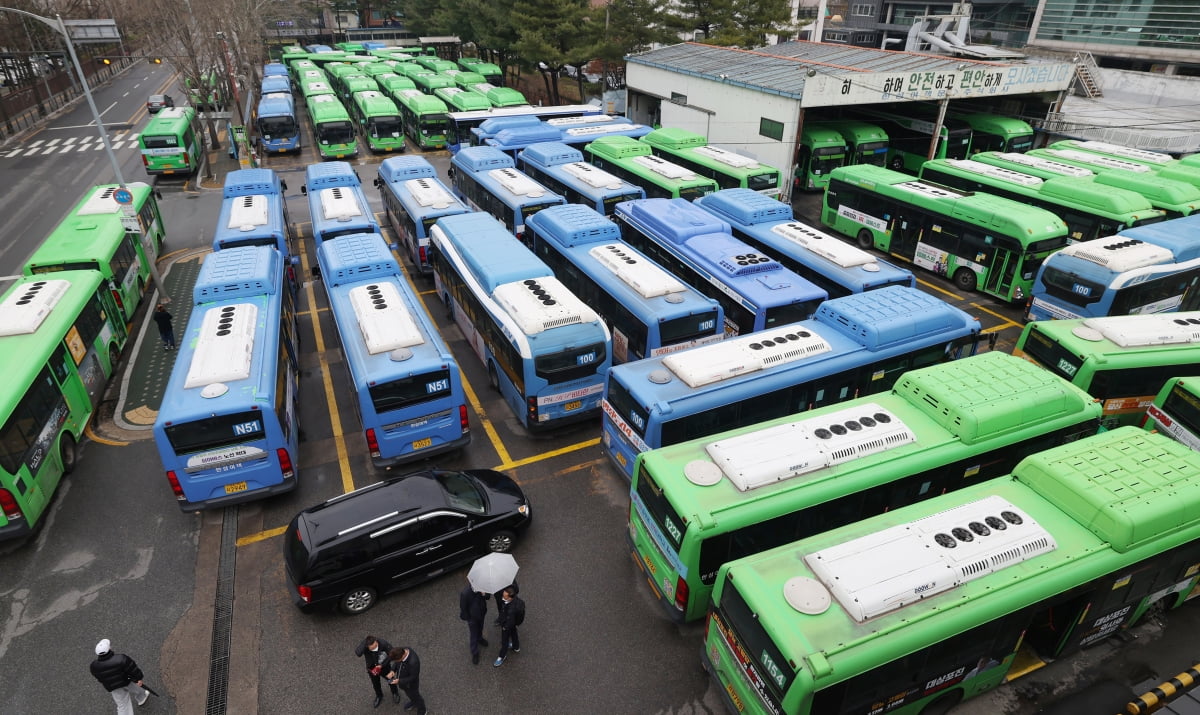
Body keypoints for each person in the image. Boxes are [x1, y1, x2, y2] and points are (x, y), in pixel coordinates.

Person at [89, 639, 150, 714]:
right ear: (109, 649)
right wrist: (138, 678)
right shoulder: (121, 658)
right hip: (127, 681)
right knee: (138, 689)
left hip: (113, 687)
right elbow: (132, 669)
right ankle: (142, 698)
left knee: (123, 705)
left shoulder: (94, 666)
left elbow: (99, 678)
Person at [355, 634, 400, 708]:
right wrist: (365, 641)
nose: (374, 649)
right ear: (367, 646)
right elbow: (358, 653)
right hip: (372, 668)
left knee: (391, 680)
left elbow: (392, 655)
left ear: (376, 641)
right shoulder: (365, 645)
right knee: (375, 683)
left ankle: (395, 693)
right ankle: (379, 696)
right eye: (372, 648)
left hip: (384, 667)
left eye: (376, 646)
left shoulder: (384, 644)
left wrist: (382, 665)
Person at [386, 646, 427, 715]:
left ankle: (423, 710)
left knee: (416, 696)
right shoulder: (402, 650)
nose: (395, 662)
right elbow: (396, 663)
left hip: (411, 685)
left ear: (402, 656)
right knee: (410, 695)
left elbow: (413, 677)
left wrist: (399, 681)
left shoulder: (413, 662)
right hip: (404, 683)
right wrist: (393, 670)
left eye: (397, 660)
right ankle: (413, 702)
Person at [493, 586, 526, 667]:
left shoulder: (511, 610)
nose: (503, 598)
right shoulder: (517, 601)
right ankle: (516, 647)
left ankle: (502, 656)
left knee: (504, 641)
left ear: (510, 598)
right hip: (513, 623)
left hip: (507, 625)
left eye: (504, 597)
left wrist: (505, 627)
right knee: (514, 632)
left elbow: (509, 620)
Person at [459, 582, 490, 665]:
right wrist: (469, 619)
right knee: (473, 634)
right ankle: (475, 652)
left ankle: (480, 639)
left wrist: (484, 594)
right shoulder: (465, 593)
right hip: (472, 619)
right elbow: (463, 608)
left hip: (481, 614)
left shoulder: (482, 587)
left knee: (480, 628)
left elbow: (488, 597)